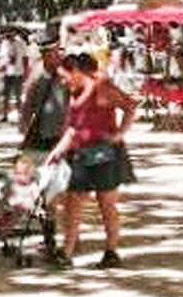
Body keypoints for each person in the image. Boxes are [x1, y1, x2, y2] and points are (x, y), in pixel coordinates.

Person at [46, 53, 136, 267]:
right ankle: (66, 253)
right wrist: (57, 151)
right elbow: (73, 128)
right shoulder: (74, 93)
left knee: (106, 204)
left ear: (76, 72)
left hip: (105, 154)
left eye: (65, 76)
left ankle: (111, 252)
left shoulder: (101, 88)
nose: (63, 82)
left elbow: (130, 106)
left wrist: (119, 134)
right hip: (80, 153)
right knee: (73, 202)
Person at [20, 41, 69, 155]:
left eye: (58, 53)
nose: (58, 56)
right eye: (54, 54)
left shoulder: (65, 74)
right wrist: (25, 124)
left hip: (62, 130)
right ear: (45, 56)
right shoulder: (36, 75)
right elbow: (27, 102)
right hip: (43, 130)